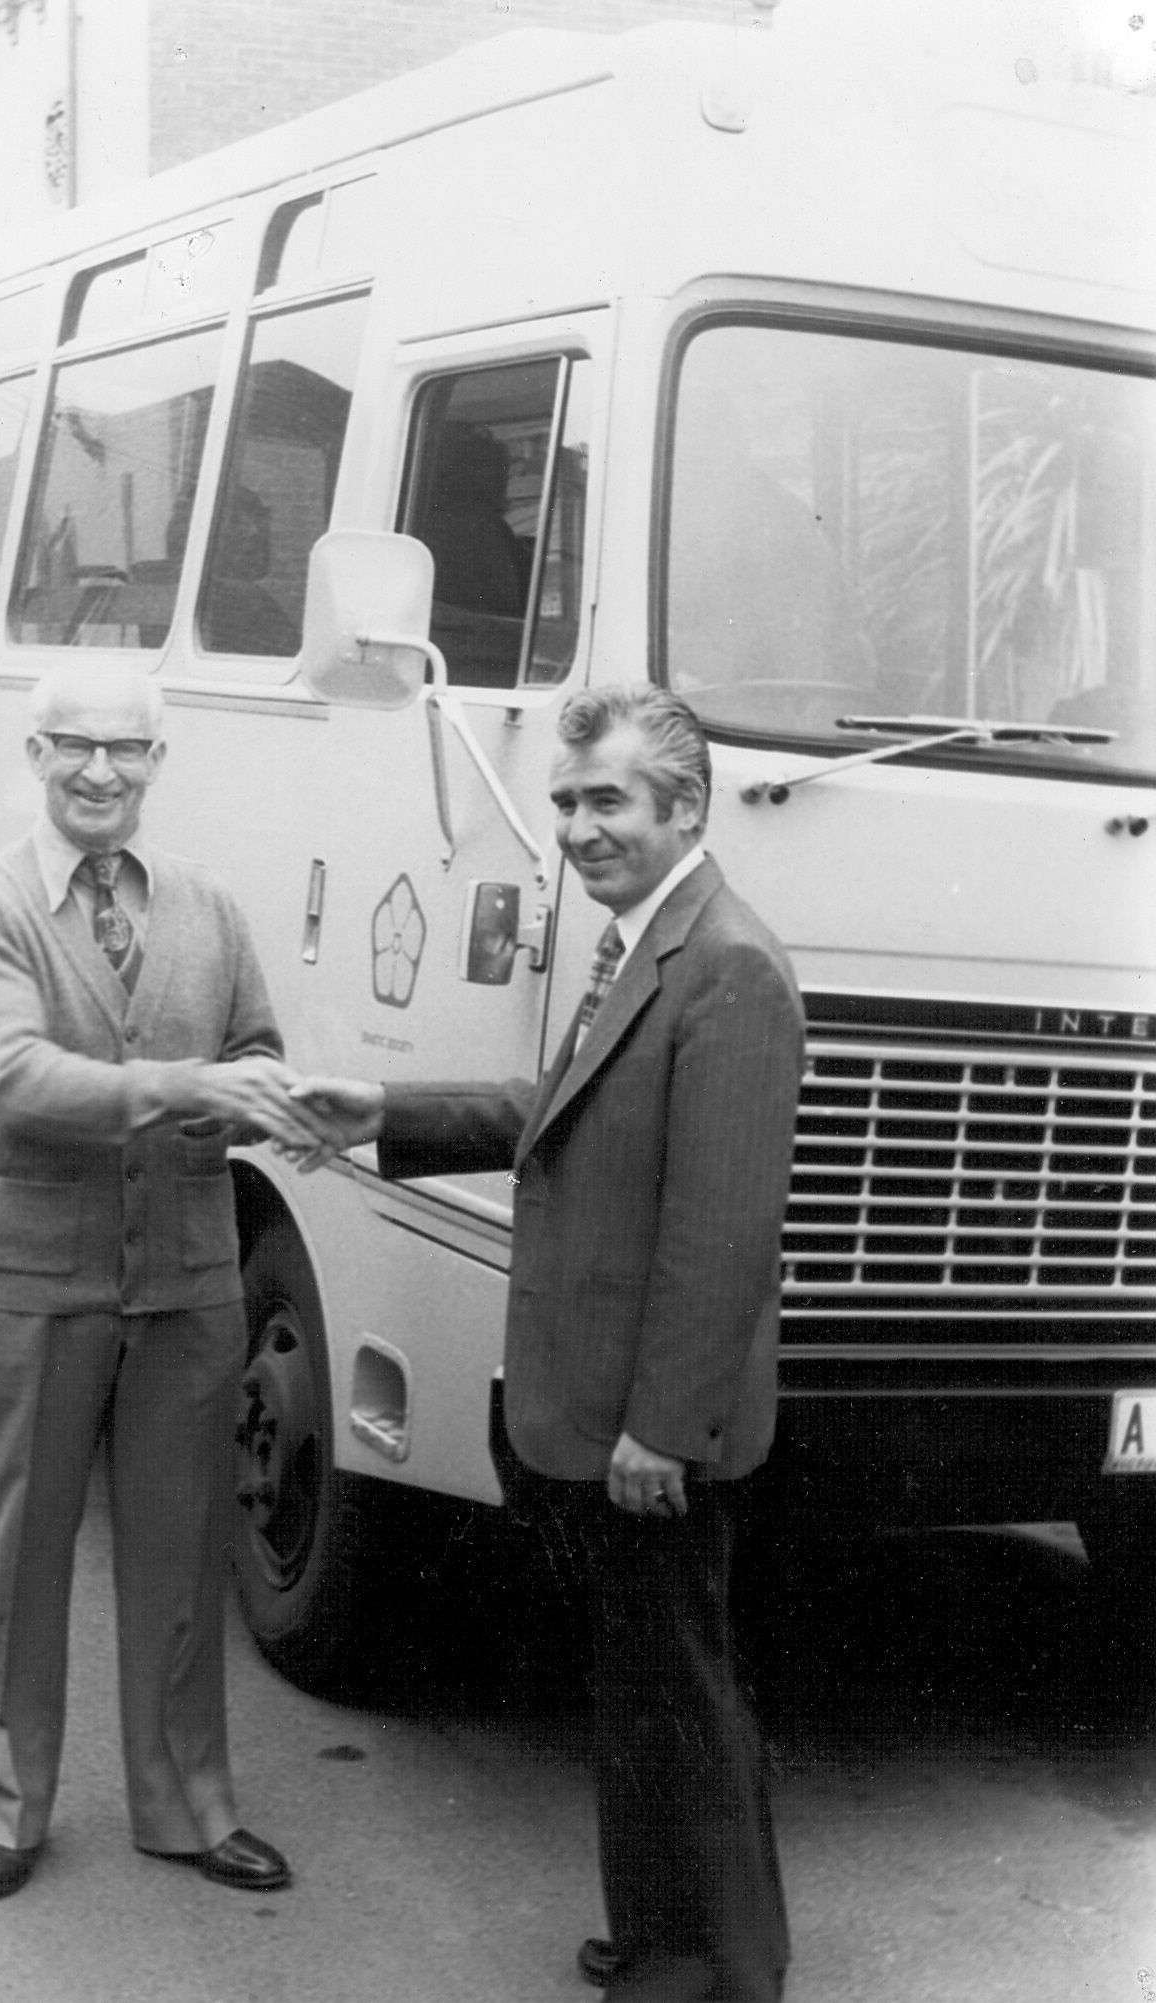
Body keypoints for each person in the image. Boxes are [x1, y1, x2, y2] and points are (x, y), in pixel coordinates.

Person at [291, 687, 804, 2002]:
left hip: (654, 1424)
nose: (577, 827)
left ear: (684, 807)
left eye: (609, 801)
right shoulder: (650, 940)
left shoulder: (727, 965)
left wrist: (660, 1430)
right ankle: (660, 1933)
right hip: (609, 1400)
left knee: (678, 1693)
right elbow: (566, 1105)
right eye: (568, 801)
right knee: (647, 1683)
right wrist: (390, 1109)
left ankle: (717, 1968)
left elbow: (722, 1235)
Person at [0, 661, 331, 1902]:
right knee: (25, 1551)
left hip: (186, 1278)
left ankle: (185, 1803)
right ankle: (1, 1802)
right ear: (36, 752)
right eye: (74, 746)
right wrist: (190, 1084)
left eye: (125, 749)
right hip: (34, 1277)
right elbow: (13, 1077)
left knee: (178, 1549)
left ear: (161, 763)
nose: (99, 770)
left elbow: (254, 1044)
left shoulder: (208, 908)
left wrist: (272, 1097)